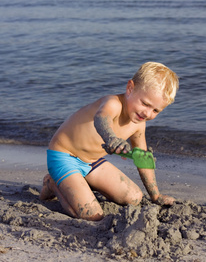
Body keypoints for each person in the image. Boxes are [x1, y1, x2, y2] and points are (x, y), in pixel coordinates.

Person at [40, 62, 179, 221]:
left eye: (156, 110)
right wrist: (111, 138)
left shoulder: (139, 125)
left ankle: (79, 183)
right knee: (92, 215)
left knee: (134, 197)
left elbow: (143, 159)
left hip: (92, 162)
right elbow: (101, 119)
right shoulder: (113, 104)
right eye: (145, 104)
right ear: (130, 88)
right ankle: (52, 183)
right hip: (64, 155)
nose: (147, 113)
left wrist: (155, 195)